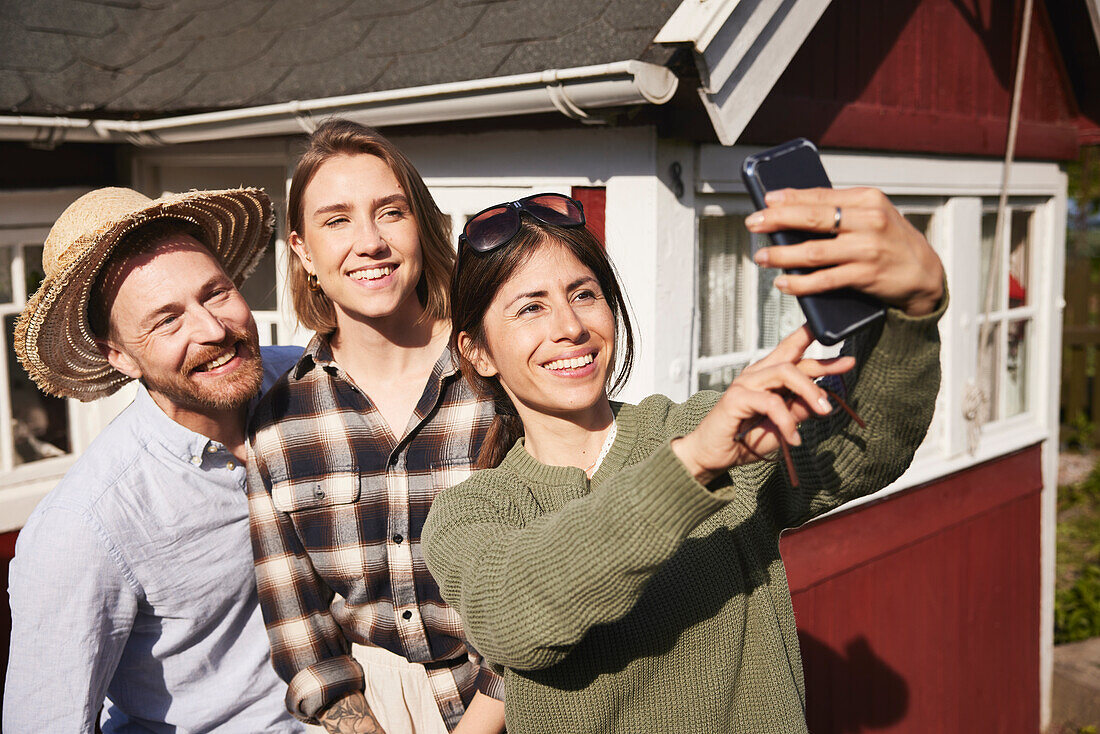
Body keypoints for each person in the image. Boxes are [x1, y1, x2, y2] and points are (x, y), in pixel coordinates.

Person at [422, 187, 946, 733]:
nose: (570, 327)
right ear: (477, 352)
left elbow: (868, 447)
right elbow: (514, 612)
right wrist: (691, 467)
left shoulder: (696, 427)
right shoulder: (472, 513)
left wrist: (915, 308)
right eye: (531, 307)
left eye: (583, 294)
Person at [4, 186, 305, 733]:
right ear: (119, 355)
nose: (212, 330)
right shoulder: (83, 527)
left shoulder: (312, 385)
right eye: (166, 320)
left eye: (215, 293)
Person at [246, 119, 505, 734]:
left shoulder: (496, 379)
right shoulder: (281, 423)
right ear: (304, 251)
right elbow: (299, 626)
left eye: (390, 212)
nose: (370, 242)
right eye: (337, 220)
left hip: (518, 695)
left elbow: (554, 571)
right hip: (375, 706)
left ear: (423, 228)